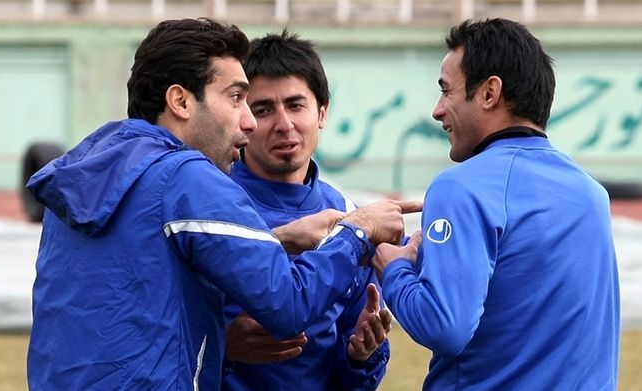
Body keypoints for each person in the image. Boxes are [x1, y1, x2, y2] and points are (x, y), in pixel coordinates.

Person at [25, 18, 420, 390]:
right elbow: (288, 305)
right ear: (180, 101)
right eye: (236, 98)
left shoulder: (91, 170)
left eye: (293, 105)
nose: (250, 122)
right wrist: (357, 231)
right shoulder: (186, 177)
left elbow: (150, 267)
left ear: (322, 111)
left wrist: (276, 239)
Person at [372, 18, 619, 389]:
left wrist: (393, 268)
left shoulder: (461, 188)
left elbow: (444, 326)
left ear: (489, 93)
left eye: (446, 91)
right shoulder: (591, 194)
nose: (437, 111)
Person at [222, 30, 391, 390]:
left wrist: (362, 356)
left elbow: (353, 373)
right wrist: (224, 345)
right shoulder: (211, 202)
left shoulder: (348, 215)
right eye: (263, 109)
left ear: (322, 112)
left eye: (296, 105)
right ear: (241, 117)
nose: (284, 124)